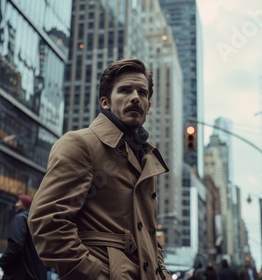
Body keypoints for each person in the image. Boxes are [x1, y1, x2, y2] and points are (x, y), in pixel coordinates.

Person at [28, 58, 171, 280]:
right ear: (105, 102)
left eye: (142, 93)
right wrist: (94, 275)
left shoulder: (145, 159)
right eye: (125, 90)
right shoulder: (80, 144)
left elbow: (148, 236)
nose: (135, 97)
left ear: (149, 106)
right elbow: (47, 221)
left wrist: (162, 273)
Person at [0, 195, 48, 280]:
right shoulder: (37, 222)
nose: (16, 205)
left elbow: (16, 246)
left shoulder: (20, 219)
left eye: (18, 202)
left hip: (21, 274)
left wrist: (2, 261)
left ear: (25, 204)